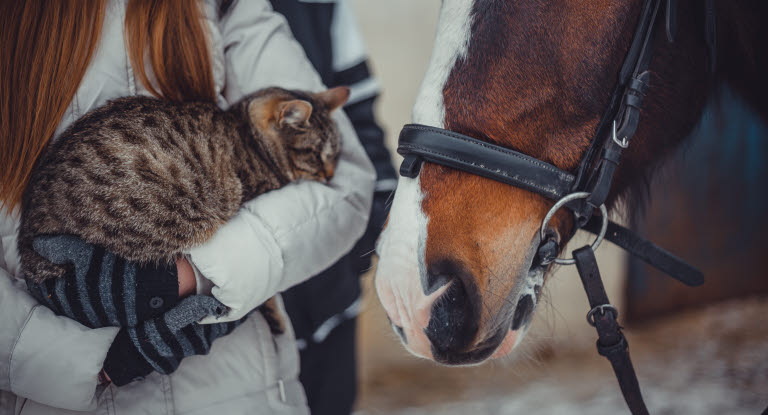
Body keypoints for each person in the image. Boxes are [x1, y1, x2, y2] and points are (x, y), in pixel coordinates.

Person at [0, 0, 375, 414]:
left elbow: (348, 186)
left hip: (234, 389)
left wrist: (186, 277)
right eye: (316, 162)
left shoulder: (226, 6)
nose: (323, 172)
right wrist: (79, 361)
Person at [269, 1, 396, 414]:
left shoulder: (322, 6)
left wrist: (364, 240)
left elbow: (361, 119)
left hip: (332, 298)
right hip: (235, 329)